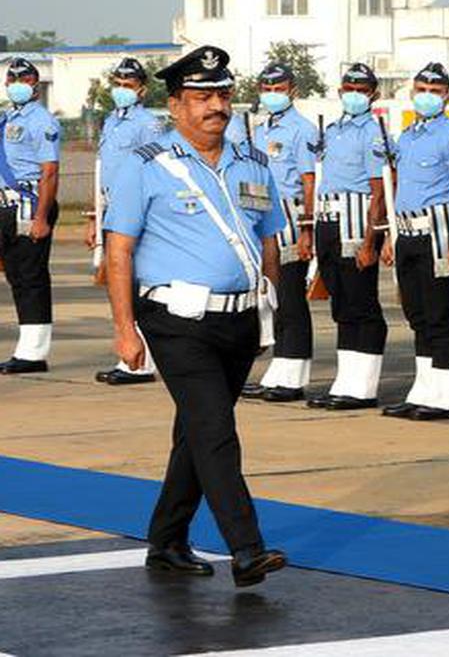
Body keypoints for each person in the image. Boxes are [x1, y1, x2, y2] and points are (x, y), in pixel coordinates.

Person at [103, 46, 287, 586]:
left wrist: (267, 301)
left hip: (239, 319)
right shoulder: (146, 166)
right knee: (216, 429)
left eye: (223, 95)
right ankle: (247, 548)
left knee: (195, 435)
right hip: (175, 318)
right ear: (177, 104)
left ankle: (166, 540)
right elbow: (119, 250)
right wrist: (123, 328)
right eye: (202, 97)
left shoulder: (253, 162)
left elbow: (268, 237)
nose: (216, 106)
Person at [379, 62, 449, 421]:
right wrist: (390, 235)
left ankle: (445, 396)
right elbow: (400, 188)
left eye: (435, 92)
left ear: (448, 96)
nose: (427, 96)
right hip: (407, 230)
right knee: (416, 314)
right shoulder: (407, 136)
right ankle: (424, 389)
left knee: (440, 314)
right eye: (422, 90)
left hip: (439, 231)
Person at [304, 63, 388, 411]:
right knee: (341, 305)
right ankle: (347, 380)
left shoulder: (373, 132)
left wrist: (371, 240)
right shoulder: (335, 130)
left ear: (373, 94)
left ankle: (364, 386)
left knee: (360, 303)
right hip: (328, 218)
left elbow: (380, 189)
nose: (354, 93)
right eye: (349, 87)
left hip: (356, 221)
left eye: (362, 88)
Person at [239, 63, 319, 403]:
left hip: (289, 215)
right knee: (271, 299)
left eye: (278, 88)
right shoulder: (259, 130)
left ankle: (294, 374)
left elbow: (309, 180)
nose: (271, 94)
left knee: (290, 299)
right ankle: (280, 368)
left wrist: (307, 229)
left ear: (292, 91)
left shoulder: (302, 129)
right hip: (262, 216)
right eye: (266, 88)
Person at [89, 57, 164, 385]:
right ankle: (130, 355)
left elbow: (153, 168)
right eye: (117, 84)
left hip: (137, 210)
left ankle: (142, 360)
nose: (121, 90)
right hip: (112, 207)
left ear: (142, 90)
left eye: (128, 86)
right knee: (119, 284)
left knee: (137, 285)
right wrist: (96, 217)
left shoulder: (148, 123)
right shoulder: (111, 121)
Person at [0, 57, 61, 374]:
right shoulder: (9, 117)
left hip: (29, 203)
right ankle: (25, 347)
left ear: (35, 86)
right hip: (5, 205)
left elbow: (49, 172)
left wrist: (41, 217)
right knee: (15, 276)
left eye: (24, 80)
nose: (17, 85)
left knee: (30, 278)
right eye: (13, 79)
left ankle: (33, 353)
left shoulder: (41, 121)